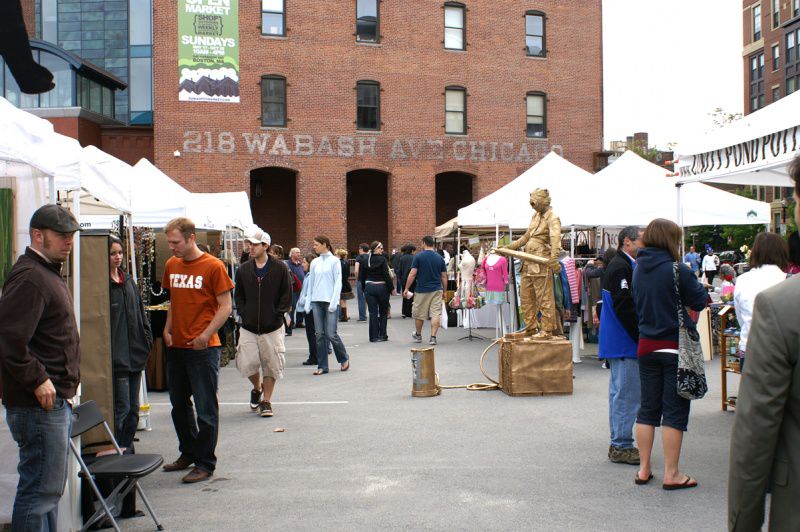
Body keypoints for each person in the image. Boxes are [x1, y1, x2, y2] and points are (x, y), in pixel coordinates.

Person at [728, 155, 800, 531]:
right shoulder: (780, 288)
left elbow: (754, 439)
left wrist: (744, 522)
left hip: (756, 343)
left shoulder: (779, 301)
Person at [0, 204, 80, 530]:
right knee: (40, 493)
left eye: (71, 235)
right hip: (39, 405)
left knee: (47, 492)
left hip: (49, 403)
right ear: (37, 235)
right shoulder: (32, 277)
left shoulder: (44, 272)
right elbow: (8, 338)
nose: (68, 241)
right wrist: (37, 379)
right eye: (61, 235)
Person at [631, 218, 707, 490]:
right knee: (674, 411)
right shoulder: (677, 269)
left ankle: (643, 469)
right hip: (674, 346)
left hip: (646, 345)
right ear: (670, 240)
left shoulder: (638, 269)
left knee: (648, 409)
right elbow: (699, 300)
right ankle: (671, 473)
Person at [161, 217, 234, 483]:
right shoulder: (172, 264)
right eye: (169, 242)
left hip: (203, 349)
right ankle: (189, 452)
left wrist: (206, 334)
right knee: (179, 405)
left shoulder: (213, 266)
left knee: (206, 409)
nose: (172, 247)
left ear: (191, 238)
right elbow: (174, 301)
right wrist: (167, 329)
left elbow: (226, 306)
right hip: (178, 346)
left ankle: (205, 462)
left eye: (176, 242)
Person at [234, 230, 292, 418]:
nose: (250, 247)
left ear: (265, 246)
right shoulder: (243, 269)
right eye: (249, 244)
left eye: (255, 244)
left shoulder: (280, 268)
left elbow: (286, 294)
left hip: (272, 327)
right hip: (249, 326)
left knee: (271, 365)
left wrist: (278, 314)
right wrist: (243, 312)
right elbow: (239, 295)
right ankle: (257, 388)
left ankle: (266, 401)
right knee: (248, 364)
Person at [598, 226, 643, 466]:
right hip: (624, 340)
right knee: (626, 395)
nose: (643, 245)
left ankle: (619, 441)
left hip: (619, 340)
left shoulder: (621, 264)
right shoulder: (621, 267)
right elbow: (624, 306)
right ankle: (621, 444)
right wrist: (639, 336)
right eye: (640, 240)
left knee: (620, 394)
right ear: (628, 241)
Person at [108, 235, 153, 451]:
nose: (117, 257)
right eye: (112, 253)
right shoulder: (104, 285)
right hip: (118, 358)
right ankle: (120, 451)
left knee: (133, 410)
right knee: (122, 409)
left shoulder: (127, 281)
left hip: (135, 354)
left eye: (119, 253)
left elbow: (140, 313)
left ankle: (126, 449)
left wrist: (146, 339)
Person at [733, 232, 789, 373]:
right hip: (783, 351)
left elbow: (740, 317)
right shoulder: (789, 280)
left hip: (750, 347)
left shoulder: (742, 280)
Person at [303, 236, 350, 375]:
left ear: (325, 245)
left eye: (316, 244)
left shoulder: (335, 261)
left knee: (331, 333)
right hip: (316, 301)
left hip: (330, 301)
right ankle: (322, 366)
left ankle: (343, 358)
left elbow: (338, 282)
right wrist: (308, 302)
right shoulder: (315, 262)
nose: (314, 247)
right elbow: (311, 283)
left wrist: (334, 301)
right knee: (319, 335)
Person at [404, 235, 447, 346]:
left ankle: (418, 335)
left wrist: (406, 288)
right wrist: (445, 291)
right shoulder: (440, 258)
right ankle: (433, 337)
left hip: (421, 289)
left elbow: (412, 274)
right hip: (437, 289)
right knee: (435, 313)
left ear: (424, 243)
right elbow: (444, 276)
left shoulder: (418, 257)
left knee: (419, 314)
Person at [359, 241, 394, 342]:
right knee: (383, 312)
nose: (382, 250)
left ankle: (373, 336)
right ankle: (383, 335)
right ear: (376, 249)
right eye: (381, 248)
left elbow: (362, 276)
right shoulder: (382, 260)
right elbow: (386, 275)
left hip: (369, 287)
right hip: (382, 287)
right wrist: (391, 288)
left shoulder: (365, 260)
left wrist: (364, 288)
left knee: (372, 312)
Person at [299, 253, 319, 366]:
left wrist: (303, 300)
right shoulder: (309, 275)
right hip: (309, 308)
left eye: (304, 262)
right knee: (312, 334)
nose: (302, 264)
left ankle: (314, 357)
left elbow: (311, 293)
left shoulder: (311, 276)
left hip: (310, 308)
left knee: (311, 334)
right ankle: (314, 356)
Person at [286, 247, 306, 328]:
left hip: (302, 288)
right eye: (297, 252)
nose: (299, 254)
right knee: (292, 305)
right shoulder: (287, 264)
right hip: (293, 288)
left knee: (301, 305)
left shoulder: (300, 264)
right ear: (292, 254)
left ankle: (299, 322)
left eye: (299, 252)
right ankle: (291, 323)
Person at [398, 244, 417, 319]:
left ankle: (404, 312)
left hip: (404, 279)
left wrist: (400, 278)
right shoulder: (414, 258)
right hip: (412, 279)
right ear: (412, 250)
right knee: (411, 295)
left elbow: (399, 270)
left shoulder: (402, 258)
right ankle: (409, 311)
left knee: (405, 295)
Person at [353, 243, 370, 321]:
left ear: (362, 249)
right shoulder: (370, 257)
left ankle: (362, 317)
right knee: (371, 298)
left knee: (361, 299)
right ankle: (374, 315)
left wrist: (357, 279)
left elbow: (356, 270)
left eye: (359, 249)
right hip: (370, 280)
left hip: (361, 280)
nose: (359, 250)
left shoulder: (359, 258)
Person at [335, 248, 353, 322]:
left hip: (340, 282)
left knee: (340, 300)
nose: (335, 255)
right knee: (343, 300)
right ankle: (344, 315)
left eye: (336, 254)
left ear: (339, 255)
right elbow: (348, 274)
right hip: (345, 282)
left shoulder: (337, 263)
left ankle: (343, 316)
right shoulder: (347, 262)